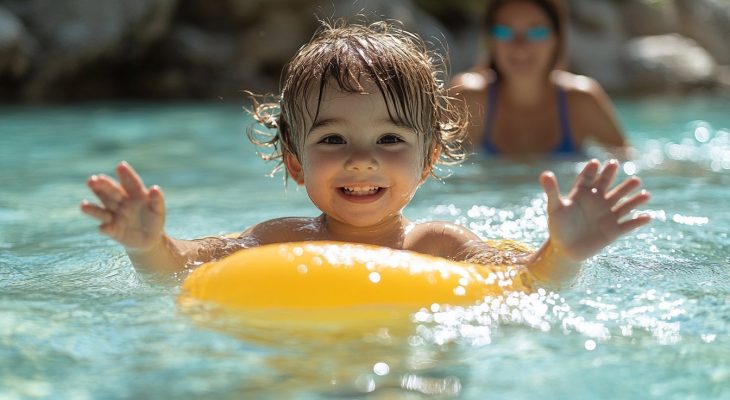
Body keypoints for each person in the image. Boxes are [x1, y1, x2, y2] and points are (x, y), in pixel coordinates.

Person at [80, 20, 650, 287]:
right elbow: (180, 266)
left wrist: (564, 252)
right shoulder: (278, 238)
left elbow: (526, 284)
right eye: (332, 139)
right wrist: (148, 244)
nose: (361, 159)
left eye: (390, 140)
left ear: (428, 162)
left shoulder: (440, 245)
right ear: (295, 161)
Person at [450, 0, 629, 157]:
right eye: (504, 32)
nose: (520, 45)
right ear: (491, 40)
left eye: (536, 32)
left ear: (556, 39)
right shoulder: (468, 100)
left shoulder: (581, 100)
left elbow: (627, 166)